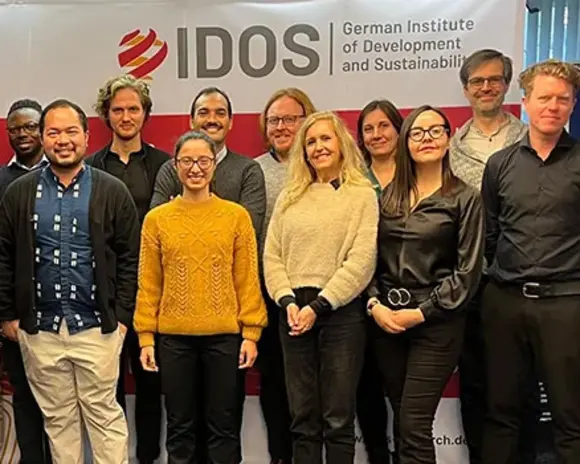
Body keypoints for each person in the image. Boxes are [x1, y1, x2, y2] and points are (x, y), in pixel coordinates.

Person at [0, 99, 139, 463]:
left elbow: (130, 258)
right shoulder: (18, 193)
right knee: (58, 422)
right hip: (40, 331)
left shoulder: (111, 190)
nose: (63, 140)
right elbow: (3, 256)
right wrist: (8, 317)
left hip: (97, 328)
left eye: (71, 131)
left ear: (87, 136)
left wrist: (122, 317)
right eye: (53, 132)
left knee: (105, 418)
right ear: (42, 138)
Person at [134, 130, 268, 464]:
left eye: (204, 160)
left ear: (214, 165)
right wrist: (146, 338)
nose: (196, 168)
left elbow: (247, 280)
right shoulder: (156, 220)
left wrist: (251, 333)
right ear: (175, 166)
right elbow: (149, 284)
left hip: (224, 338)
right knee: (180, 427)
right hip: (174, 340)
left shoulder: (236, 217)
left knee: (224, 426)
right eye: (187, 161)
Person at [367, 105, 484, 464]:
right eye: (417, 133)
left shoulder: (465, 198)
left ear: (449, 138)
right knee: (402, 420)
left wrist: (421, 312)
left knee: (414, 423)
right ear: (406, 142)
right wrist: (374, 303)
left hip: (436, 323)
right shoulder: (389, 195)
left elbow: (467, 273)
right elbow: (368, 257)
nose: (426, 139)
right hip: (387, 321)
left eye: (435, 131)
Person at [264, 111, 378, 464]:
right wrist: (287, 301)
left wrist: (319, 306)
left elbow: (362, 260)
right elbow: (272, 256)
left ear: (341, 143)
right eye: (311, 142)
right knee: (302, 418)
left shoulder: (361, 194)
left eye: (325, 138)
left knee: (338, 419)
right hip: (292, 312)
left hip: (340, 313)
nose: (318, 147)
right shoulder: (290, 196)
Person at [481, 59, 580, 464]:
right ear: (525, 102)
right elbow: (490, 234)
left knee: (570, 417)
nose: (553, 106)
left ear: (573, 104)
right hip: (505, 302)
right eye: (544, 98)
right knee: (500, 412)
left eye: (563, 99)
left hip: (567, 304)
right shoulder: (499, 164)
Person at [449, 49, 532, 464]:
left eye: (494, 80)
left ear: (507, 85)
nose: (486, 87)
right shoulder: (450, 148)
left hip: (518, 278)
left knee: (520, 383)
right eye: (477, 81)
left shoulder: (530, 139)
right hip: (470, 280)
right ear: (466, 89)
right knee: (475, 382)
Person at [86, 73, 170, 464]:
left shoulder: (165, 165)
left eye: (133, 109)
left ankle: (148, 457)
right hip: (104, 292)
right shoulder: (90, 167)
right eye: (117, 109)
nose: (126, 116)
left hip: (155, 291)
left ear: (145, 113)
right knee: (109, 385)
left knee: (152, 381)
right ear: (106, 115)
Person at [255, 87, 316, 464]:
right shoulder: (255, 170)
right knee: (275, 381)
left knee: (315, 386)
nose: (280, 127)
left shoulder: (325, 168)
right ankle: (281, 456)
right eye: (274, 120)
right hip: (270, 293)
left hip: (318, 295)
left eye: (290, 119)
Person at [0, 99, 51, 464]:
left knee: (62, 400)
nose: (23, 134)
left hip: (62, 309)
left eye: (30, 126)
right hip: (17, 313)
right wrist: (5, 314)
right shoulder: (1, 181)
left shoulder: (68, 174)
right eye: (15, 128)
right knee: (25, 397)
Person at [356, 98, 404, 464]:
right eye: (369, 129)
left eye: (384, 126)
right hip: (362, 298)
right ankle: (377, 456)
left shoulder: (419, 176)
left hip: (408, 298)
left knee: (406, 395)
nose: (377, 135)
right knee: (366, 388)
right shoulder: (354, 181)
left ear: (399, 129)